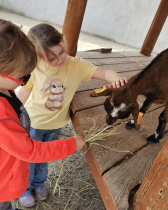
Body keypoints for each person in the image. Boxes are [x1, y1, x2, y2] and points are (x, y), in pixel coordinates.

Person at [0, 18, 85, 210]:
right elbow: (31, 151)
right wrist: (72, 144)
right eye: (22, 78)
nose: (24, 82)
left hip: (0, 182)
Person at [17, 23, 128, 207]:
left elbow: (103, 72)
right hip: (34, 124)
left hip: (55, 124)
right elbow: (23, 93)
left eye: (61, 52)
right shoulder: (34, 68)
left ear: (63, 41)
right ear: (38, 55)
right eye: (51, 58)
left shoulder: (76, 65)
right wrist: (10, 111)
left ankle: (39, 184)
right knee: (29, 159)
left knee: (45, 158)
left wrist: (115, 77)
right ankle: (24, 189)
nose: (60, 60)